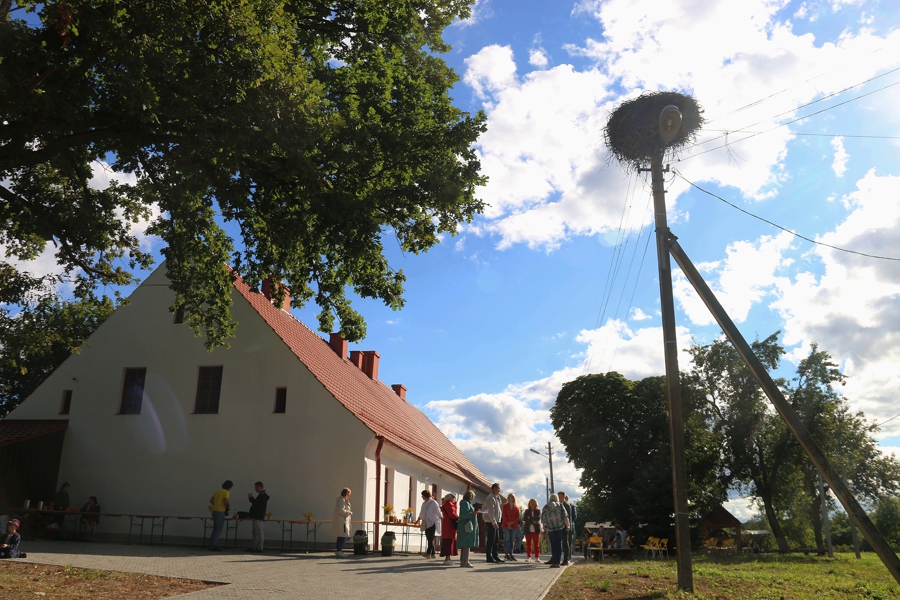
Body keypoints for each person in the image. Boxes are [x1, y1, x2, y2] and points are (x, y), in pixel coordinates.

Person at [541, 494, 569, 568]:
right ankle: (558, 562)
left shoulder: (546, 506)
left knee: (553, 545)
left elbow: (543, 518)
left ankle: (554, 562)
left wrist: (544, 527)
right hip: (559, 527)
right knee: (559, 544)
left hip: (550, 528)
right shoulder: (560, 505)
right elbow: (565, 516)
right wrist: (568, 525)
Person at [457, 490, 479, 568]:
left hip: (465, 526)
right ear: (470, 496)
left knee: (465, 544)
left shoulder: (467, 503)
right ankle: (465, 561)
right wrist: (474, 513)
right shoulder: (465, 503)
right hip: (466, 526)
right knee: (466, 544)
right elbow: (464, 515)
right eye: (473, 496)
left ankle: (463, 561)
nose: (473, 498)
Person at [208, 480, 233, 551]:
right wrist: (228, 506)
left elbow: (211, 501)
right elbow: (225, 501)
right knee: (218, 530)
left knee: (215, 529)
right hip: (221, 511)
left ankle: (212, 544)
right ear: (230, 487)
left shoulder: (217, 491)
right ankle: (214, 546)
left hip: (214, 511)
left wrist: (216, 505)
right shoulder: (227, 492)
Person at [246, 482, 269, 553]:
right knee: (255, 532)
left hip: (258, 517)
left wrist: (255, 516)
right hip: (256, 516)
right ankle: (254, 547)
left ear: (259, 487)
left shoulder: (262, 496)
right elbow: (256, 503)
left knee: (259, 532)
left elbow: (258, 507)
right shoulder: (261, 496)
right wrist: (251, 498)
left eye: (256, 487)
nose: (255, 489)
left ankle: (259, 547)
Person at [484, 482, 503, 563]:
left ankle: (495, 555)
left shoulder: (496, 498)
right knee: (491, 540)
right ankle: (489, 557)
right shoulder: (490, 498)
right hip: (492, 522)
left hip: (496, 522)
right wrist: (494, 522)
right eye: (498, 488)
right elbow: (491, 511)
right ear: (494, 489)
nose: (499, 490)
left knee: (495, 540)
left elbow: (498, 510)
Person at [419, 489, 442, 559]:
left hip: (432, 522)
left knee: (430, 538)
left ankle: (428, 553)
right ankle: (433, 554)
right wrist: (418, 519)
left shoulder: (433, 503)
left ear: (425, 496)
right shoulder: (424, 503)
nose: (422, 497)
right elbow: (422, 512)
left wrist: (441, 517)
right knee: (429, 538)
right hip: (426, 522)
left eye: (422, 496)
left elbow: (438, 511)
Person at [332, 487, 353, 557]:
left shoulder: (343, 500)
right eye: (349, 494)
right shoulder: (342, 500)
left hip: (343, 520)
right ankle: (339, 550)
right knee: (343, 535)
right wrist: (348, 512)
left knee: (341, 535)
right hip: (342, 521)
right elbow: (341, 510)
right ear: (347, 494)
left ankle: (339, 550)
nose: (349, 495)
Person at [439, 493, 458, 564]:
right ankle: (447, 559)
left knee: (448, 541)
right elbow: (452, 514)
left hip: (447, 525)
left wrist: (455, 504)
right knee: (449, 542)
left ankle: (448, 558)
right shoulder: (449, 504)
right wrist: (458, 518)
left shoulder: (446, 504)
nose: (454, 499)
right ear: (450, 498)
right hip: (449, 526)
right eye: (453, 497)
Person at [501, 492, 520, 561]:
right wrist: (508, 523)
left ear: (513, 498)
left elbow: (517, 517)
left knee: (512, 540)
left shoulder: (517, 507)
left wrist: (512, 522)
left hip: (514, 525)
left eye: (510, 497)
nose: (509, 498)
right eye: (508, 497)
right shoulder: (505, 506)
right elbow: (504, 515)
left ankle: (511, 554)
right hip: (506, 525)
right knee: (507, 539)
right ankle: (506, 554)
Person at [522, 498, 542, 563]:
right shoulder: (526, 511)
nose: (532, 504)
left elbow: (538, 519)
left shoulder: (538, 511)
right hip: (528, 529)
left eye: (533, 502)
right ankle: (529, 557)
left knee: (536, 544)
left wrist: (530, 518)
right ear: (529, 504)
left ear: (536, 504)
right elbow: (525, 519)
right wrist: (532, 520)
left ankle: (537, 557)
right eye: (531, 502)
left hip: (536, 530)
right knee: (528, 544)